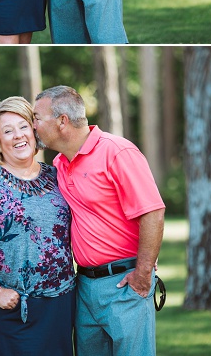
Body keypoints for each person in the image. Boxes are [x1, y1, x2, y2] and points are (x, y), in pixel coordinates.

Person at [33, 85, 165, 356]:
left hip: (125, 284)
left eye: (36, 117)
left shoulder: (117, 152)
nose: (32, 125)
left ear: (62, 121)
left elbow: (153, 212)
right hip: (84, 288)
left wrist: (143, 274)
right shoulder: (59, 164)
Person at [0, 96, 75, 356]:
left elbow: (92, 216)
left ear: (34, 130)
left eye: (23, 126)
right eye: (7, 131)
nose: (18, 135)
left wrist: (135, 251)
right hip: (11, 306)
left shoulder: (57, 175)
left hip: (60, 304)